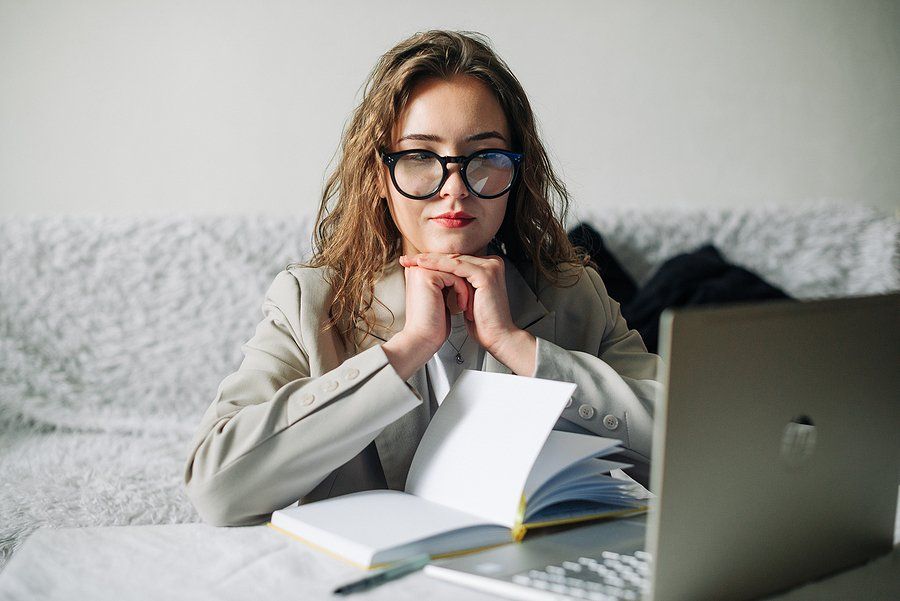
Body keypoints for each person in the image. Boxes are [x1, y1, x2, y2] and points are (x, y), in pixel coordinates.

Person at [183, 30, 663, 527]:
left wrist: (520, 347)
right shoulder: (311, 301)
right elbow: (218, 490)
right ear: (379, 177)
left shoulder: (573, 294)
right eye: (418, 157)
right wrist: (404, 350)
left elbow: (701, 451)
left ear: (515, 175)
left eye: (486, 158)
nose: (455, 188)